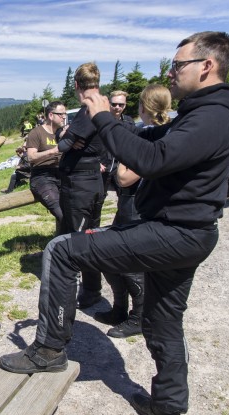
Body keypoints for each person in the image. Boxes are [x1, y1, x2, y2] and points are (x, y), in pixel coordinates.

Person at [0, 31, 229, 415]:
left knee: (62, 249)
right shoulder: (203, 111)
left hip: (174, 231)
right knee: (162, 319)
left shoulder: (213, 116)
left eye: (179, 65)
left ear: (207, 67)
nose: (172, 72)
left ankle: (48, 350)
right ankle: (168, 407)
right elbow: (147, 135)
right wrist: (105, 114)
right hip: (188, 232)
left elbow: (153, 159)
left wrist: (103, 116)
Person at [94, 84, 172, 339]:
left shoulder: (155, 134)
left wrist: (122, 159)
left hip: (138, 206)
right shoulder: (150, 130)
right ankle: (119, 308)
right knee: (108, 257)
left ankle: (138, 316)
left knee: (129, 263)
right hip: (128, 206)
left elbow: (125, 177)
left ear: (143, 106)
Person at [56, 63, 106, 309]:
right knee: (91, 234)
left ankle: (89, 291)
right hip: (92, 181)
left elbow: (65, 143)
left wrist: (66, 136)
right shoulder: (102, 104)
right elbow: (68, 139)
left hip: (80, 183)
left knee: (81, 238)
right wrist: (67, 136)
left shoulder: (88, 109)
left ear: (76, 85)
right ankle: (91, 288)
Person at [25, 101, 67, 233]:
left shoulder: (63, 133)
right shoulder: (36, 133)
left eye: (65, 114)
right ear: (51, 115)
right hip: (42, 176)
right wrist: (52, 151)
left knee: (73, 210)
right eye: (61, 114)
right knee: (60, 212)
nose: (64, 117)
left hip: (62, 173)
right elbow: (31, 157)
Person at [101, 90, 135, 195]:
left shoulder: (129, 121)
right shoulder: (101, 120)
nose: (117, 107)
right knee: (98, 200)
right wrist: (97, 161)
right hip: (104, 165)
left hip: (122, 165)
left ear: (125, 106)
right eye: (114, 104)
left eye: (120, 104)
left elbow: (134, 142)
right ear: (109, 104)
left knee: (125, 196)